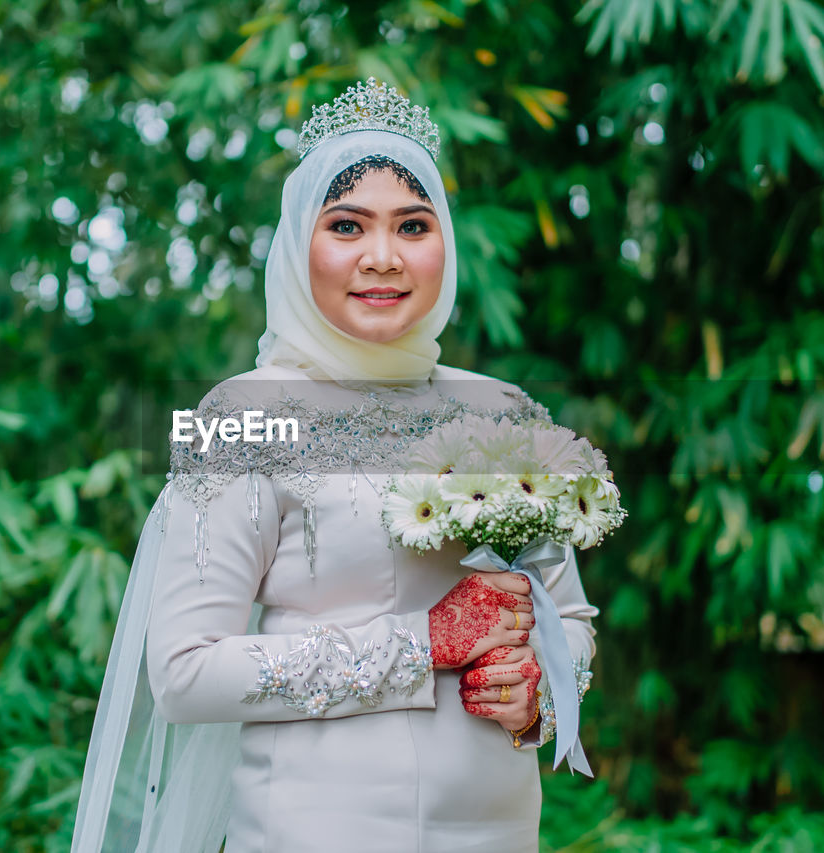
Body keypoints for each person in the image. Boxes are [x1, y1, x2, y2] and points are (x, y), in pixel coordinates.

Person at [71, 79, 599, 853]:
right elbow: (184, 673)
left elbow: (569, 621)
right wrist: (426, 642)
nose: (382, 257)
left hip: (496, 831)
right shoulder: (243, 419)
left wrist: (538, 694)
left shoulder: (502, 410)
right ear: (296, 246)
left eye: (412, 226)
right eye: (347, 225)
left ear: (443, 244)